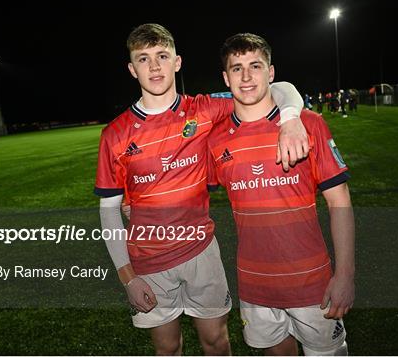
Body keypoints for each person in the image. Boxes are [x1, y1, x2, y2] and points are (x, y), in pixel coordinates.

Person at [94, 23, 309, 355]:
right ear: (131, 68)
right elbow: (109, 211)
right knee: (167, 349)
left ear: (177, 62)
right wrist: (128, 278)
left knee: (217, 343)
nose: (154, 67)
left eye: (162, 56)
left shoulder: (205, 109)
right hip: (148, 263)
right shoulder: (115, 134)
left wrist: (292, 118)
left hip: (201, 251)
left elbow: (279, 87)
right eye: (144, 58)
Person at [207, 33, 355, 356]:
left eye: (255, 66)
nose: (246, 77)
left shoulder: (309, 125)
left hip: (313, 283)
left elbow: (339, 200)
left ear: (271, 73)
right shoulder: (216, 140)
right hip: (255, 287)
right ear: (225, 77)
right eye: (237, 68)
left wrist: (345, 274)